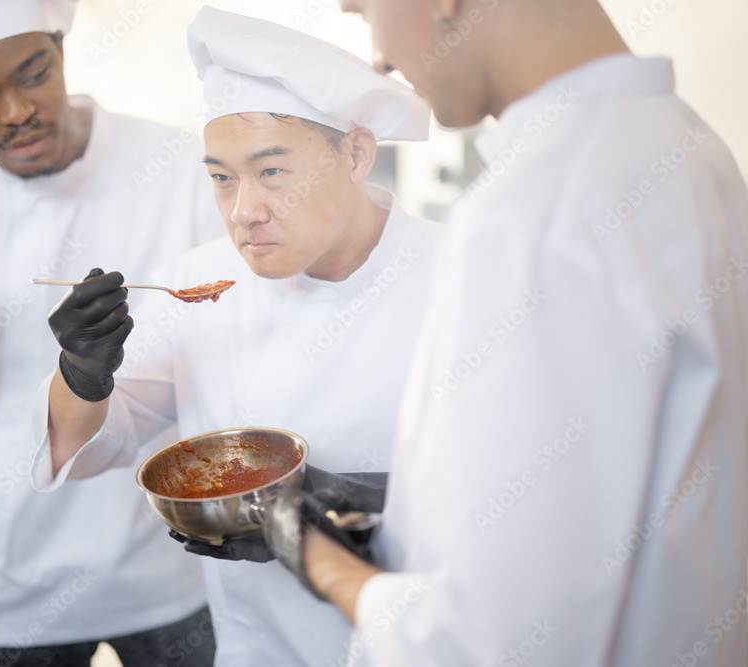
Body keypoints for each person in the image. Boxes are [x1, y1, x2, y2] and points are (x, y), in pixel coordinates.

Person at [294, 0, 748, 665]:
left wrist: (321, 560)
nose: (381, 57)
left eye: (365, 10)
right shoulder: (690, 145)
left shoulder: (533, 214)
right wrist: (409, 509)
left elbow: (491, 645)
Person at [31, 7, 443, 666]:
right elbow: (87, 446)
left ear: (357, 153)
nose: (242, 211)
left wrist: (375, 501)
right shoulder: (198, 283)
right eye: (222, 177)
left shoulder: (454, 283)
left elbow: (523, 510)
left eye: (272, 172)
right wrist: (83, 372)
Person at [0, 1, 222, 665]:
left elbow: (227, 363)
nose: (16, 111)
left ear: (61, 45)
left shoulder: (179, 167)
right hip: (16, 579)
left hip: (170, 561)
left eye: (34, 75)